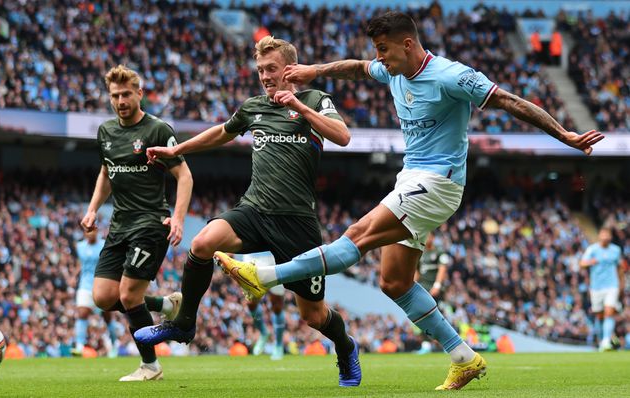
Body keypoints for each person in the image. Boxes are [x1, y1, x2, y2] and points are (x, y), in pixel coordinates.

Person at [216, 12, 604, 391]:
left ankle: (266, 276)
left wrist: (564, 135)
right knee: (394, 282)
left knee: (357, 235)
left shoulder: (451, 75)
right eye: (377, 50)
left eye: (384, 50)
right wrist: (315, 71)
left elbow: (510, 101)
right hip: (411, 177)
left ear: (408, 43)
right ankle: (464, 357)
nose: (379, 58)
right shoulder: (392, 70)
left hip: (439, 181)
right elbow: (356, 67)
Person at [135, 36, 362, 387]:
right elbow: (221, 133)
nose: (265, 77)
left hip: (297, 222)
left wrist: (300, 108)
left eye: (271, 69)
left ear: (290, 69)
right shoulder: (254, 106)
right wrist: (176, 148)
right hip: (255, 210)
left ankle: (345, 348)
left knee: (313, 316)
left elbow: (343, 137)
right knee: (202, 243)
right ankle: (184, 323)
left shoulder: (316, 100)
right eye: (260, 71)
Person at [80, 65, 193, 381]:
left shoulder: (157, 130)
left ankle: (150, 366)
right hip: (119, 226)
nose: (120, 101)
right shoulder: (106, 132)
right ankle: (164, 304)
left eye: (126, 94)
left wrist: (179, 220)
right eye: (115, 96)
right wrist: (92, 210)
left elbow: (184, 175)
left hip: (150, 223)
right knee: (103, 297)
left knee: (129, 296)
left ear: (139, 93)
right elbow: (106, 172)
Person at [72, 228, 182, 357]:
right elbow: (80, 264)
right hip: (85, 285)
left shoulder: (104, 244)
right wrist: (74, 275)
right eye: (87, 231)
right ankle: (79, 346)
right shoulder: (80, 247)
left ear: (97, 232)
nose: (90, 233)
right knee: (82, 312)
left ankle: (115, 344)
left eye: (92, 231)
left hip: (103, 283)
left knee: (113, 311)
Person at [580, 228, 624, 351]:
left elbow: (620, 267)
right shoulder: (592, 249)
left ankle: (606, 342)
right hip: (596, 287)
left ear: (610, 237)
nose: (605, 237)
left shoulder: (616, 250)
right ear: (599, 236)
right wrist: (590, 262)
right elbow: (582, 263)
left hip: (612, 285)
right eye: (603, 234)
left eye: (607, 234)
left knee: (609, 312)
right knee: (599, 315)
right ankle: (601, 340)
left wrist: (621, 284)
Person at [241, 252, 286, 360]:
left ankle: (278, 344)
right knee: (250, 302)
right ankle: (263, 332)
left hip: (273, 255)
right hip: (251, 256)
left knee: (277, 305)